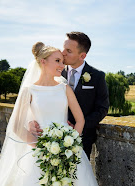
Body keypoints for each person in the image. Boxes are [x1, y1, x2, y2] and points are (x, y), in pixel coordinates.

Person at [0, 42, 115, 186]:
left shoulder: (64, 88)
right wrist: (37, 145)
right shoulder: (29, 91)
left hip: (68, 152)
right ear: (43, 62)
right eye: (58, 61)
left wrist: (71, 143)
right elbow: (15, 126)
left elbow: (80, 119)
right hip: (39, 152)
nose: (62, 65)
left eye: (62, 61)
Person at [30, 31, 109, 159]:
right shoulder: (55, 72)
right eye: (63, 48)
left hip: (82, 139)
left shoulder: (97, 76)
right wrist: (31, 122)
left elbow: (102, 108)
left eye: (69, 51)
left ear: (82, 56)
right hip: (48, 139)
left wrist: (79, 127)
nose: (63, 53)